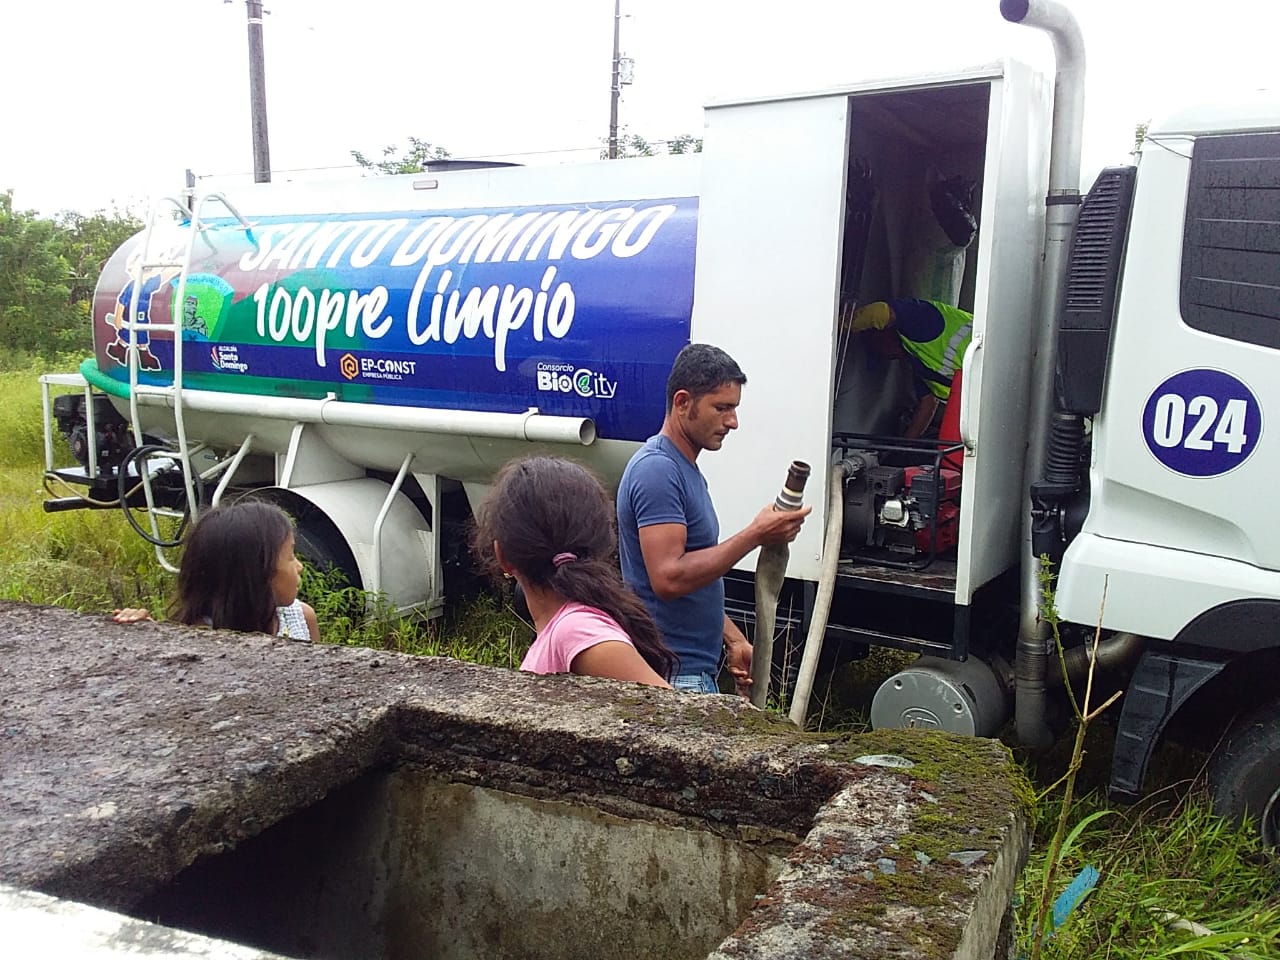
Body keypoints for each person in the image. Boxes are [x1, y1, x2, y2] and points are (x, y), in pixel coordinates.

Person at [617, 343, 811, 696]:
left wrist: (733, 639)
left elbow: (694, 580)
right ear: (682, 402)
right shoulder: (657, 470)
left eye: (734, 409)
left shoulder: (684, 469)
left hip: (690, 670)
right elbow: (668, 578)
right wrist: (755, 535)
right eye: (722, 408)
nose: (732, 422)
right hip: (673, 676)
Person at [472, 456, 675, 688]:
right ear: (603, 540)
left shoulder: (576, 633)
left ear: (503, 556)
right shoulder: (569, 630)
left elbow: (668, 709)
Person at [112, 500, 319, 642]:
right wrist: (146, 633)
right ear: (255, 574)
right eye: (290, 556)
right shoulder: (196, 635)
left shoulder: (302, 618)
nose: (299, 566)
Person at [840, 298, 973, 439]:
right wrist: (905, 444)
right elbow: (927, 404)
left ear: (882, 332)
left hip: (987, 362)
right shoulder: (917, 360)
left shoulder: (922, 318)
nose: (887, 356)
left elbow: (880, 312)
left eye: (879, 348)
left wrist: (840, 325)